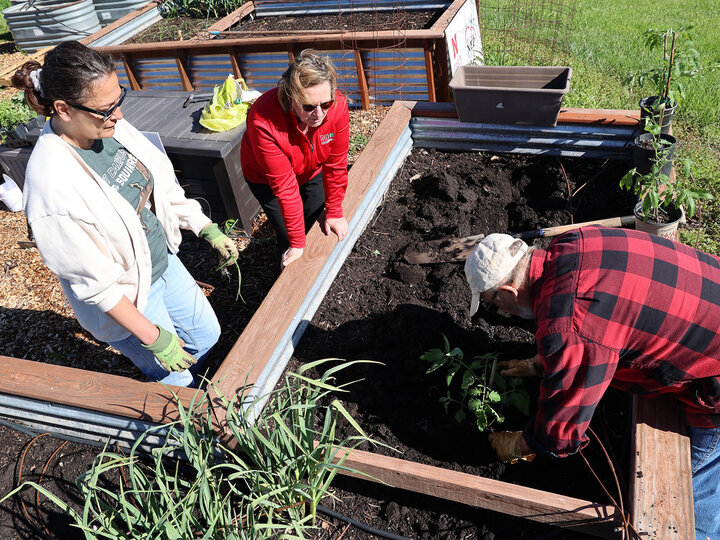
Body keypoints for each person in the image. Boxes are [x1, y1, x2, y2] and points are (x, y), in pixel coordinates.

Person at [464, 226, 720, 539]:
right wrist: (541, 363)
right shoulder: (575, 241)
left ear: (507, 292)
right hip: (709, 297)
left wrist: (522, 443)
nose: (501, 310)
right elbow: (608, 315)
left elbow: (562, 432)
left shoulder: (568, 326)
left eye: (495, 303)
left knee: (686, 514)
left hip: (713, 376)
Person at [12, 41, 239, 388]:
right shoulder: (51, 186)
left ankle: (199, 387)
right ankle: (183, 421)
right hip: (128, 296)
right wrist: (153, 337)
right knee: (172, 377)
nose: (118, 114)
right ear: (63, 109)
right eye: (106, 109)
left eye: (119, 100)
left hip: (161, 262)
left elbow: (158, 184)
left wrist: (203, 225)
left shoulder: (108, 126)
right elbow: (96, 285)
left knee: (207, 336)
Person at [240, 49, 350, 268]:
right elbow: (285, 188)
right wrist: (297, 243)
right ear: (290, 98)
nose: (319, 114)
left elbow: (336, 165)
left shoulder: (338, 108)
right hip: (267, 181)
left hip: (312, 169)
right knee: (290, 238)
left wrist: (335, 212)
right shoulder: (264, 120)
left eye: (325, 104)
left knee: (319, 220)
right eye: (308, 106)